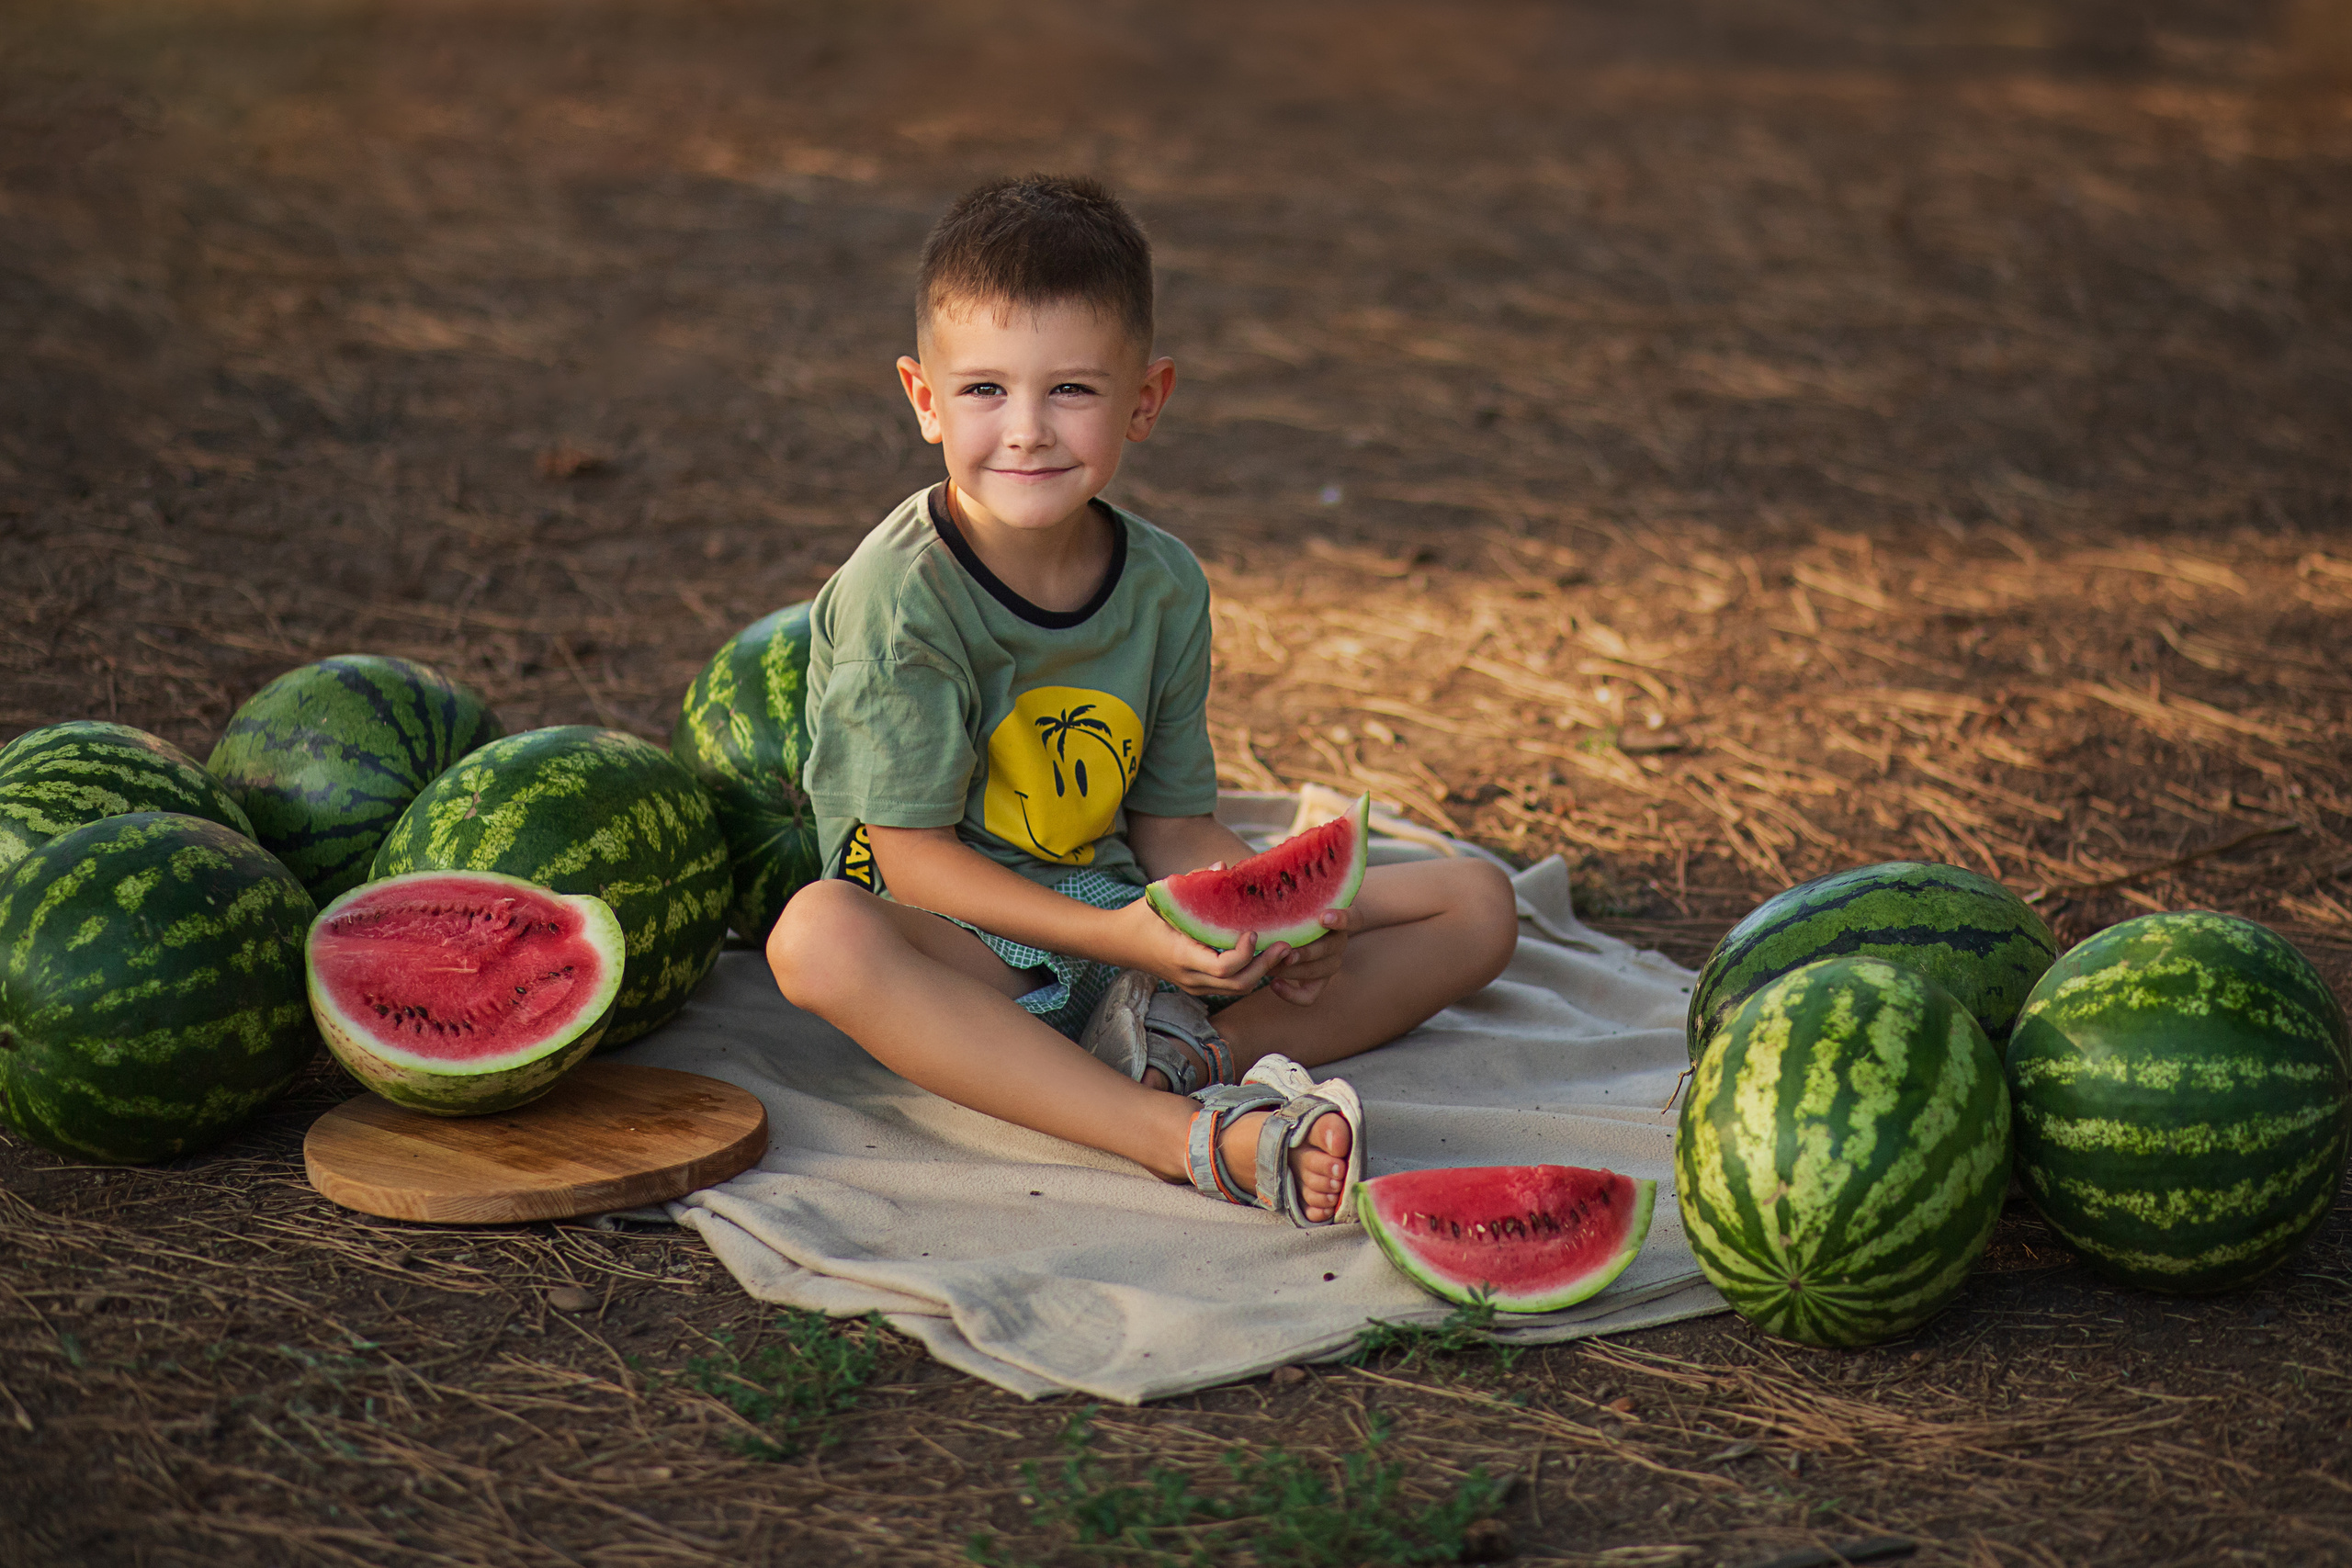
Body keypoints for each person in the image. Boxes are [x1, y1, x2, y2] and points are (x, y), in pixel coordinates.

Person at [767, 175, 1519, 1225]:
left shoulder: (1163, 584)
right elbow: (909, 857)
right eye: (984, 390)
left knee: (1475, 900)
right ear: (924, 398)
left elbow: (1170, 825)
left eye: (1070, 390)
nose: (1025, 431)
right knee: (816, 938)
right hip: (961, 945)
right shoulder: (902, 598)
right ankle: (1180, 1134)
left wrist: (1282, 921)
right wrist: (1125, 936)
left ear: (1145, 400)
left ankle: (1155, 1053)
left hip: (1131, 937)